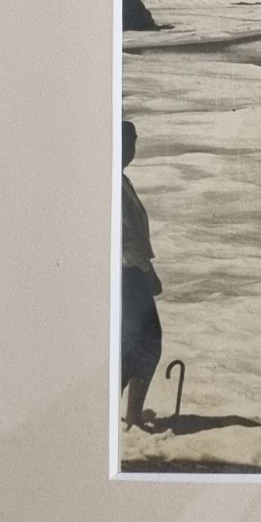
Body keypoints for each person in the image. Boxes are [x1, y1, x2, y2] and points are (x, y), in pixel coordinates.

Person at [119, 120, 165, 431]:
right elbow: (126, 236)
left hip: (127, 272)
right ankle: (130, 416)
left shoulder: (120, 179)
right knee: (147, 341)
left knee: (135, 342)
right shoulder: (112, 182)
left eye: (133, 144)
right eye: (125, 144)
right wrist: (148, 272)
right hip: (128, 272)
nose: (130, 151)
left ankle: (129, 413)